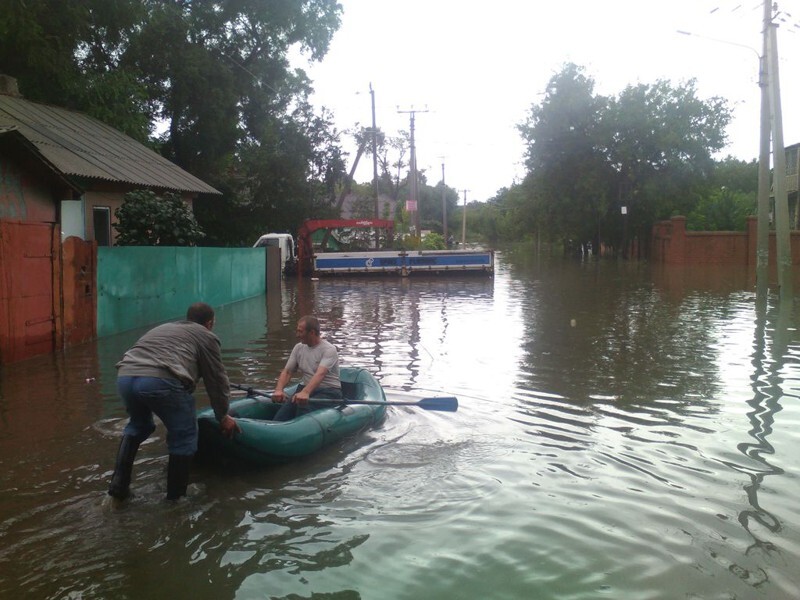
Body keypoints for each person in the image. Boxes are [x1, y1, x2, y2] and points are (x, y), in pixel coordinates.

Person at [108, 302, 240, 502]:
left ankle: (118, 487)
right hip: (159, 380)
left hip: (126, 376)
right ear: (210, 323)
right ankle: (176, 500)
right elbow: (217, 380)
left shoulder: (164, 328)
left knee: (138, 425)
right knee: (185, 434)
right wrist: (222, 416)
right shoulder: (206, 336)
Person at [272, 315, 342, 421]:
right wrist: (279, 390)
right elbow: (287, 372)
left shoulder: (329, 350)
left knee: (303, 407)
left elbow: (320, 374)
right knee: (283, 413)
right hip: (305, 388)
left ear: (312, 333)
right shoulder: (298, 348)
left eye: (300, 332)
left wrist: (305, 392)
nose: (297, 335)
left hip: (328, 391)